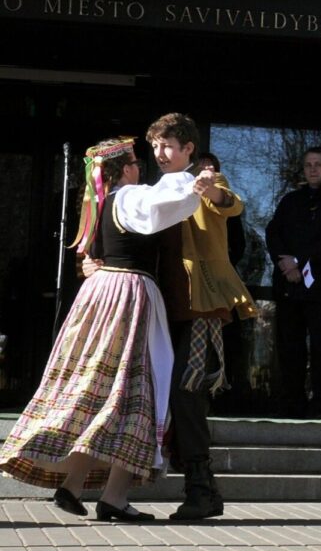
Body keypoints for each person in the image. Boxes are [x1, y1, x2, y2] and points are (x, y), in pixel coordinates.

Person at [0, 138, 208, 521]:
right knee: (135, 392)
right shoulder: (130, 197)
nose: (140, 166)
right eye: (134, 161)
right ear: (123, 169)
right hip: (129, 294)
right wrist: (194, 179)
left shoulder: (100, 205)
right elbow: (163, 202)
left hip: (100, 294)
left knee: (100, 390)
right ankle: (113, 497)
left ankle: (74, 485)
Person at [147, 113, 257, 522]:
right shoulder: (153, 189)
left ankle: (200, 488)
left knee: (186, 394)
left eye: (169, 146)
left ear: (189, 149)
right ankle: (202, 489)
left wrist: (213, 192)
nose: (160, 154)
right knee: (165, 394)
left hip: (201, 305)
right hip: (161, 305)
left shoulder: (207, 179)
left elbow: (233, 204)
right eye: (156, 146)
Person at [265, 146, 321, 417]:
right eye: (308, 165)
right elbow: (273, 231)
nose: (312, 169)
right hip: (289, 288)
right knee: (289, 347)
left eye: (318, 164)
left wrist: (301, 261)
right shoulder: (291, 201)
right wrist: (285, 263)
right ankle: (292, 402)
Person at [196, 152, 253, 398]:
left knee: (227, 337)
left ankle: (230, 393)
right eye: (203, 166)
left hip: (221, 281)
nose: (208, 171)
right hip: (194, 279)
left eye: (213, 167)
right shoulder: (185, 196)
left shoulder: (223, 197)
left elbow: (238, 240)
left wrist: (221, 263)